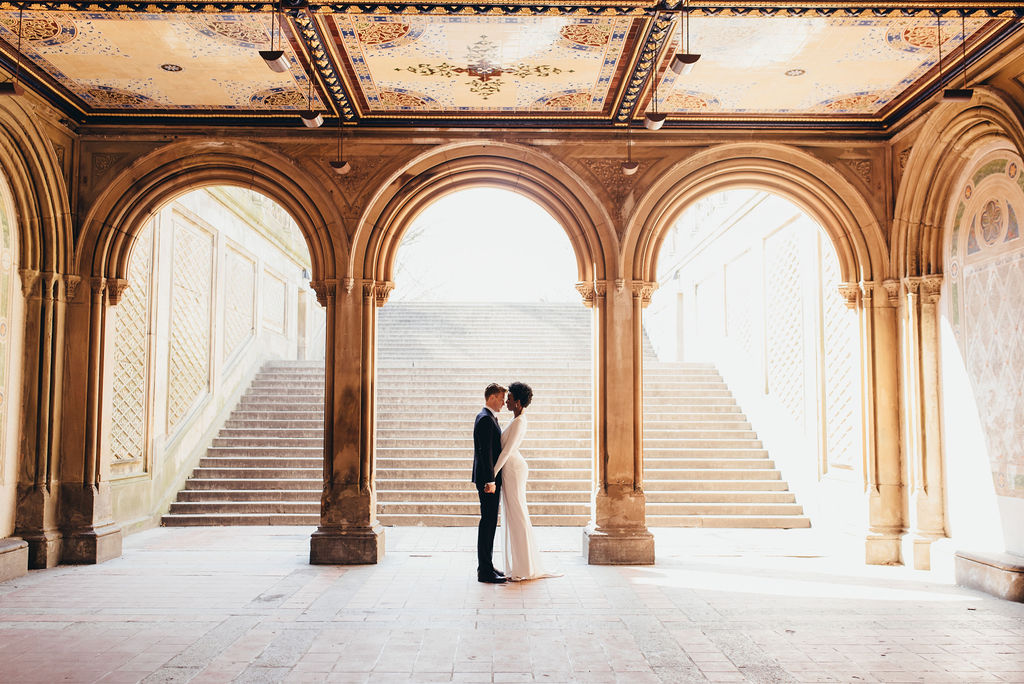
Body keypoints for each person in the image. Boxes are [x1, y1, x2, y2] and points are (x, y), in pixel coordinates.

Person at [492, 381, 558, 581]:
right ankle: (520, 565)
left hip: (513, 468)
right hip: (511, 467)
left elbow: (507, 451)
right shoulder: (516, 419)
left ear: (519, 402)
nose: (507, 402)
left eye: (510, 399)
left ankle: (524, 567)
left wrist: (492, 473)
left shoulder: (520, 421)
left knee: (517, 515)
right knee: (514, 515)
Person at [472, 383, 507, 584]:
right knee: (487, 523)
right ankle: (484, 570)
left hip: (489, 479)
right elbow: (485, 454)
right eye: (501, 399)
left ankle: (487, 565)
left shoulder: (487, 417)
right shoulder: (485, 418)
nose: (503, 403)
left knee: (490, 523)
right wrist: (490, 481)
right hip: (488, 481)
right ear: (492, 397)